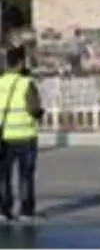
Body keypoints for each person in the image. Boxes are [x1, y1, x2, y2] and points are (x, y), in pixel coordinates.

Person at [0, 47, 42, 222]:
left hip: (4, 136)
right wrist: (40, 113)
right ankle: (26, 210)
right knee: (25, 176)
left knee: (4, 176)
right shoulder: (26, 83)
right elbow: (33, 108)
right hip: (25, 135)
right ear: (21, 62)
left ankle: (3, 210)